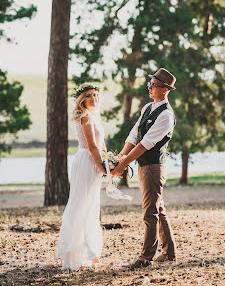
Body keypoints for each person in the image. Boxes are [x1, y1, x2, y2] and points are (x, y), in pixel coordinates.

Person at [111, 68, 177, 269]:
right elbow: (134, 135)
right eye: (150, 83)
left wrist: (122, 165)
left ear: (165, 90)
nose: (149, 87)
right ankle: (169, 252)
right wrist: (120, 156)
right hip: (144, 166)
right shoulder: (148, 107)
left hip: (153, 167)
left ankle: (145, 257)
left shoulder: (166, 115)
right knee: (158, 209)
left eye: (154, 85)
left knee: (150, 213)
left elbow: (146, 144)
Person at [56, 83, 107, 271]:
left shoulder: (94, 116)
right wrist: (102, 167)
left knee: (92, 206)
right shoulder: (85, 117)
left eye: (95, 94)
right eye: (88, 95)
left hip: (94, 161)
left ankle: (91, 253)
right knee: (81, 205)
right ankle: (73, 253)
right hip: (87, 161)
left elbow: (102, 146)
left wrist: (109, 161)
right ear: (81, 100)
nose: (93, 98)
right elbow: (92, 147)